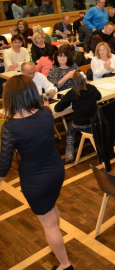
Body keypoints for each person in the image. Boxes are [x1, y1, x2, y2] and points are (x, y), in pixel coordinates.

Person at [0, 75, 72, 270]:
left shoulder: (9, 129)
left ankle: (65, 265)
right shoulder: (46, 113)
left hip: (35, 179)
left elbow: (4, 166)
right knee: (52, 207)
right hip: (56, 170)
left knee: (47, 224)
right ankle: (58, 244)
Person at [54, 71, 101, 163]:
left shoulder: (71, 93)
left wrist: (69, 102)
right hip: (94, 123)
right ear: (85, 80)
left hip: (79, 124)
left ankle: (69, 155)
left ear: (73, 82)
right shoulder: (92, 88)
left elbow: (57, 108)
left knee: (70, 131)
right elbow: (99, 97)